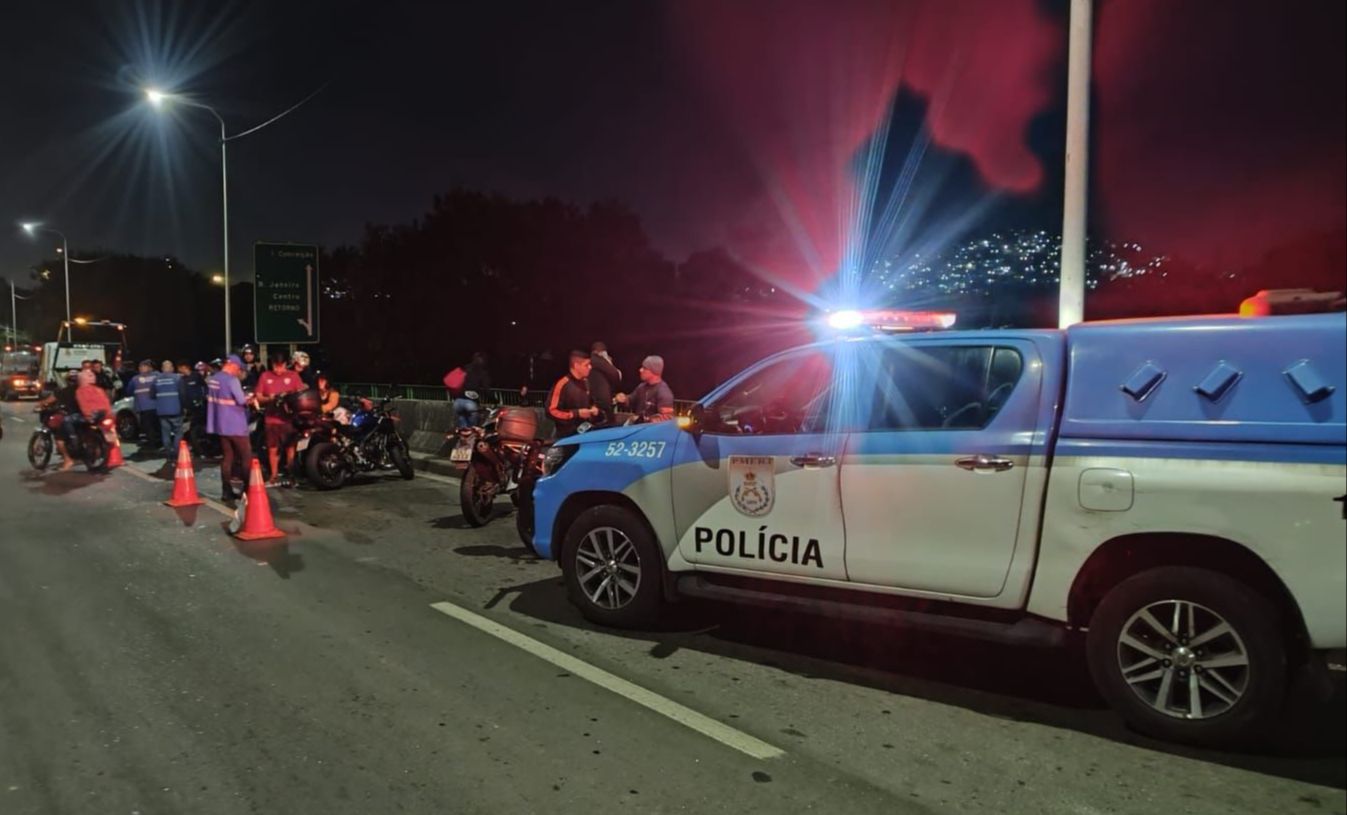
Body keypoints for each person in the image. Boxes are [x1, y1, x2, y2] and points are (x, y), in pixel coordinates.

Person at [256, 351, 305, 486]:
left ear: (286, 364)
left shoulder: (293, 376)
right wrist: (270, 398)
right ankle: (274, 475)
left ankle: (291, 474)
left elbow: (301, 394)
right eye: (275, 366)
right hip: (271, 419)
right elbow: (258, 396)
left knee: (290, 447)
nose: (278, 370)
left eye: (281, 366)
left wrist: (289, 396)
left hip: (289, 420)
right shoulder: (265, 376)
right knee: (272, 448)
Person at [207, 355, 251, 502]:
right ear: (232, 365)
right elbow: (241, 400)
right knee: (246, 457)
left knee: (227, 457)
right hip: (236, 424)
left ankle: (226, 491)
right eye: (238, 368)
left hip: (221, 424)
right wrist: (250, 397)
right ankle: (248, 490)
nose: (238, 371)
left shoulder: (213, 379)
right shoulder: (232, 380)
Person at [547, 350, 600, 438]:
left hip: (585, 432)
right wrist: (576, 413)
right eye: (586, 365)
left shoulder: (586, 382)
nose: (590, 367)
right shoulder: (562, 384)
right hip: (566, 436)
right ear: (576, 366)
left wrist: (594, 408)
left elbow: (592, 402)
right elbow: (551, 411)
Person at [614, 355, 676, 422]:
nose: (640, 370)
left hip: (651, 431)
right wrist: (624, 399)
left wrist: (643, 420)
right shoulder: (642, 387)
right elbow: (631, 400)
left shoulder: (664, 392)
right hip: (640, 429)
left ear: (653, 371)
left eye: (644, 368)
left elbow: (666, 419)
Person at [153, 361, 188, 457]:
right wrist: (184, 407)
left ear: (162, 368)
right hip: (176, 409)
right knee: (178, 432)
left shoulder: (156, 380)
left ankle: (169, 454)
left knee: (165, 433)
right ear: (172, 368)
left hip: (162, 410)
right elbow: (183, 394)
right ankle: (176, 453)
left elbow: (152, 395)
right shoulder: (177, 378)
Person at [127, 359, 159, 453]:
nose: (141, 368)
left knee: (148, 427)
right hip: (156, 406)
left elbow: (129, 391)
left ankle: (152, 445)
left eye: (142, 366)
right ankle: (159, 443)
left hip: (143, 407)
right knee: (157, 425)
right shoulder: (156, 376)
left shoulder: (135, 379)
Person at [453, 352, 491, 428]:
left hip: (457, 402)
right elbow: (486, 388)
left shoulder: (465, 368)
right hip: (470, 403)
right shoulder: (482, 372)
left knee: (463, 430)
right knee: (472, 431)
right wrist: (493, 400)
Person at [588, 341, 623, 419]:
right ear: (603, 352)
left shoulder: (589, 362)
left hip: (593, 400)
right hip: (602, 401)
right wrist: (608, 362)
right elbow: (615, 374)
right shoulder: (597, 360)